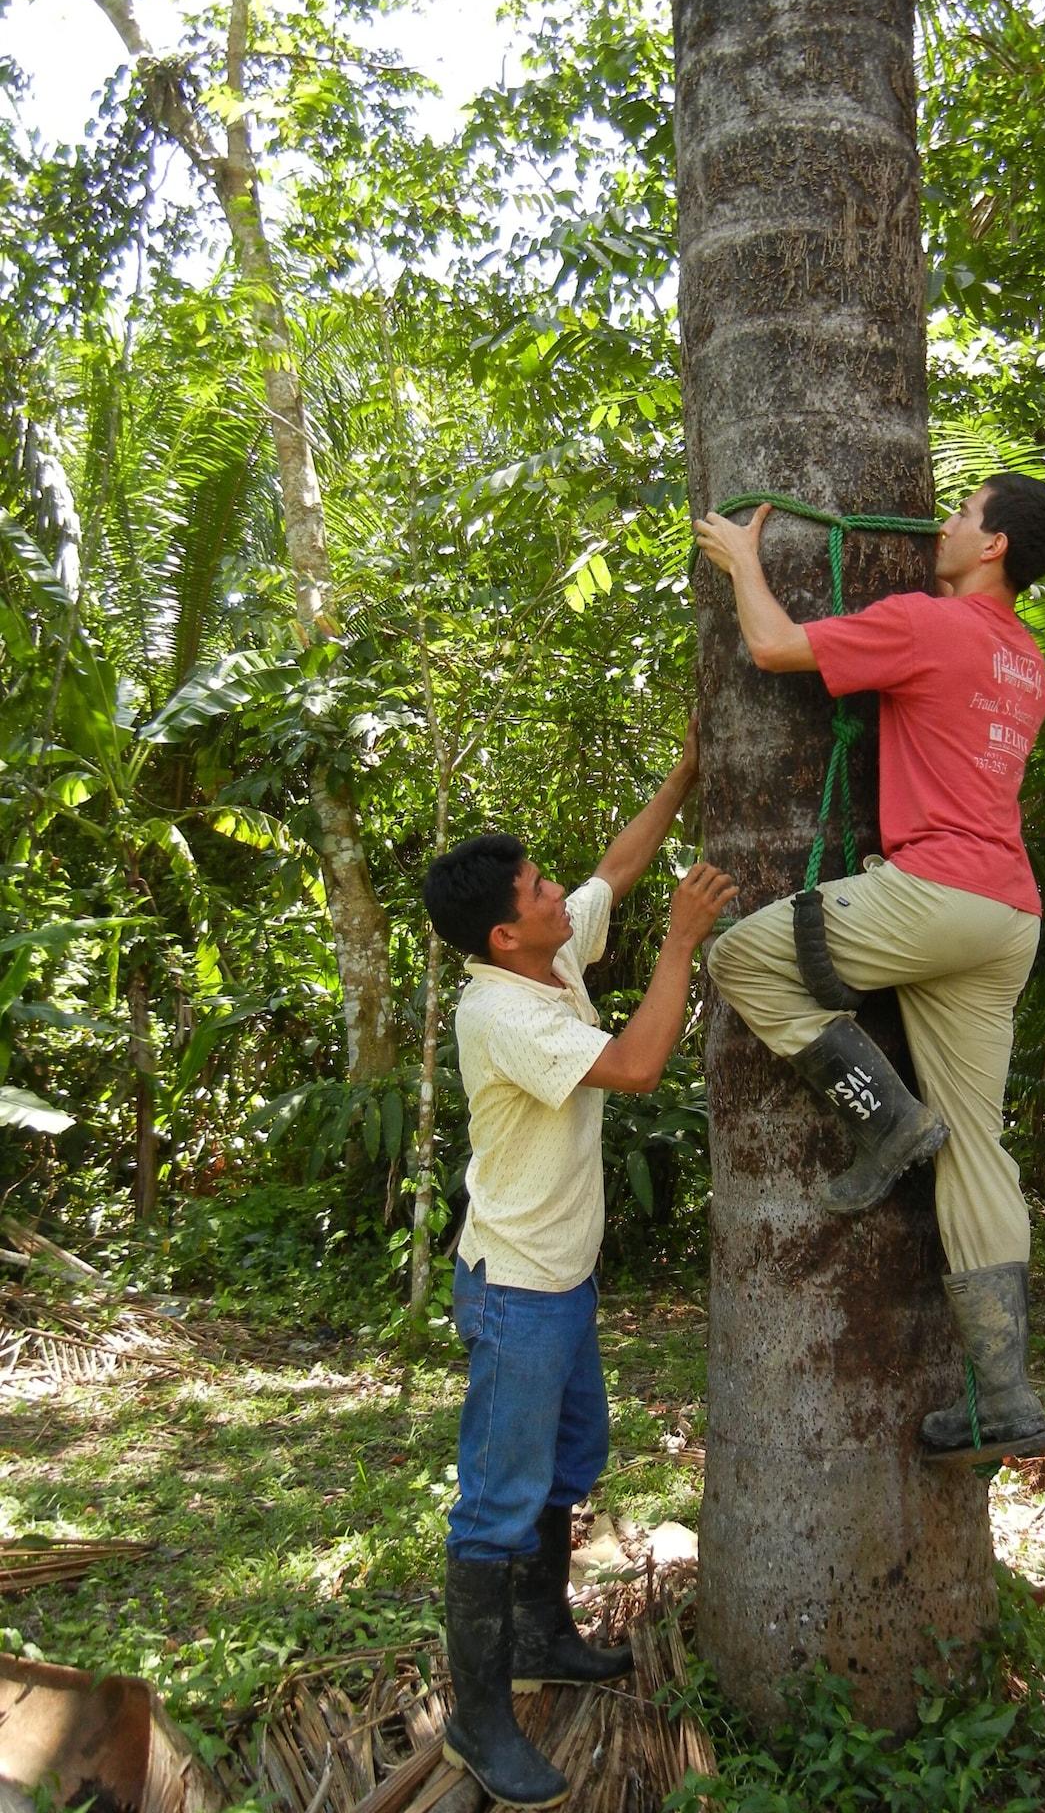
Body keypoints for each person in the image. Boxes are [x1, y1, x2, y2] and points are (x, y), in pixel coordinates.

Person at [692, 475, 1045, 1458]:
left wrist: (743, 560)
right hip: (1008, 915)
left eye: (963, 512)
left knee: (741, 956)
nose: (944, 523)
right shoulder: (1027, 661)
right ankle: (1006, 1396)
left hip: (938, 894)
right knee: (980, 1152)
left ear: (993, 545)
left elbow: (775, 647)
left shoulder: (928, 623)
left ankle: (886, 1116)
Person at [421, 734, 735, 1812]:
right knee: (497, 1503)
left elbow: (619, 865)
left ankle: (544, 1633)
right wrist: (680, 946)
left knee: (570, 1457)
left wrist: (688, 773)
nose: (562, 891)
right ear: (506, 931)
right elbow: (640, 1066)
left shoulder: (543, 960)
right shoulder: (502, 1010)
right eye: (539, 888)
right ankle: (476, 1715)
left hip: (561, 1277)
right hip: (515, 1290)